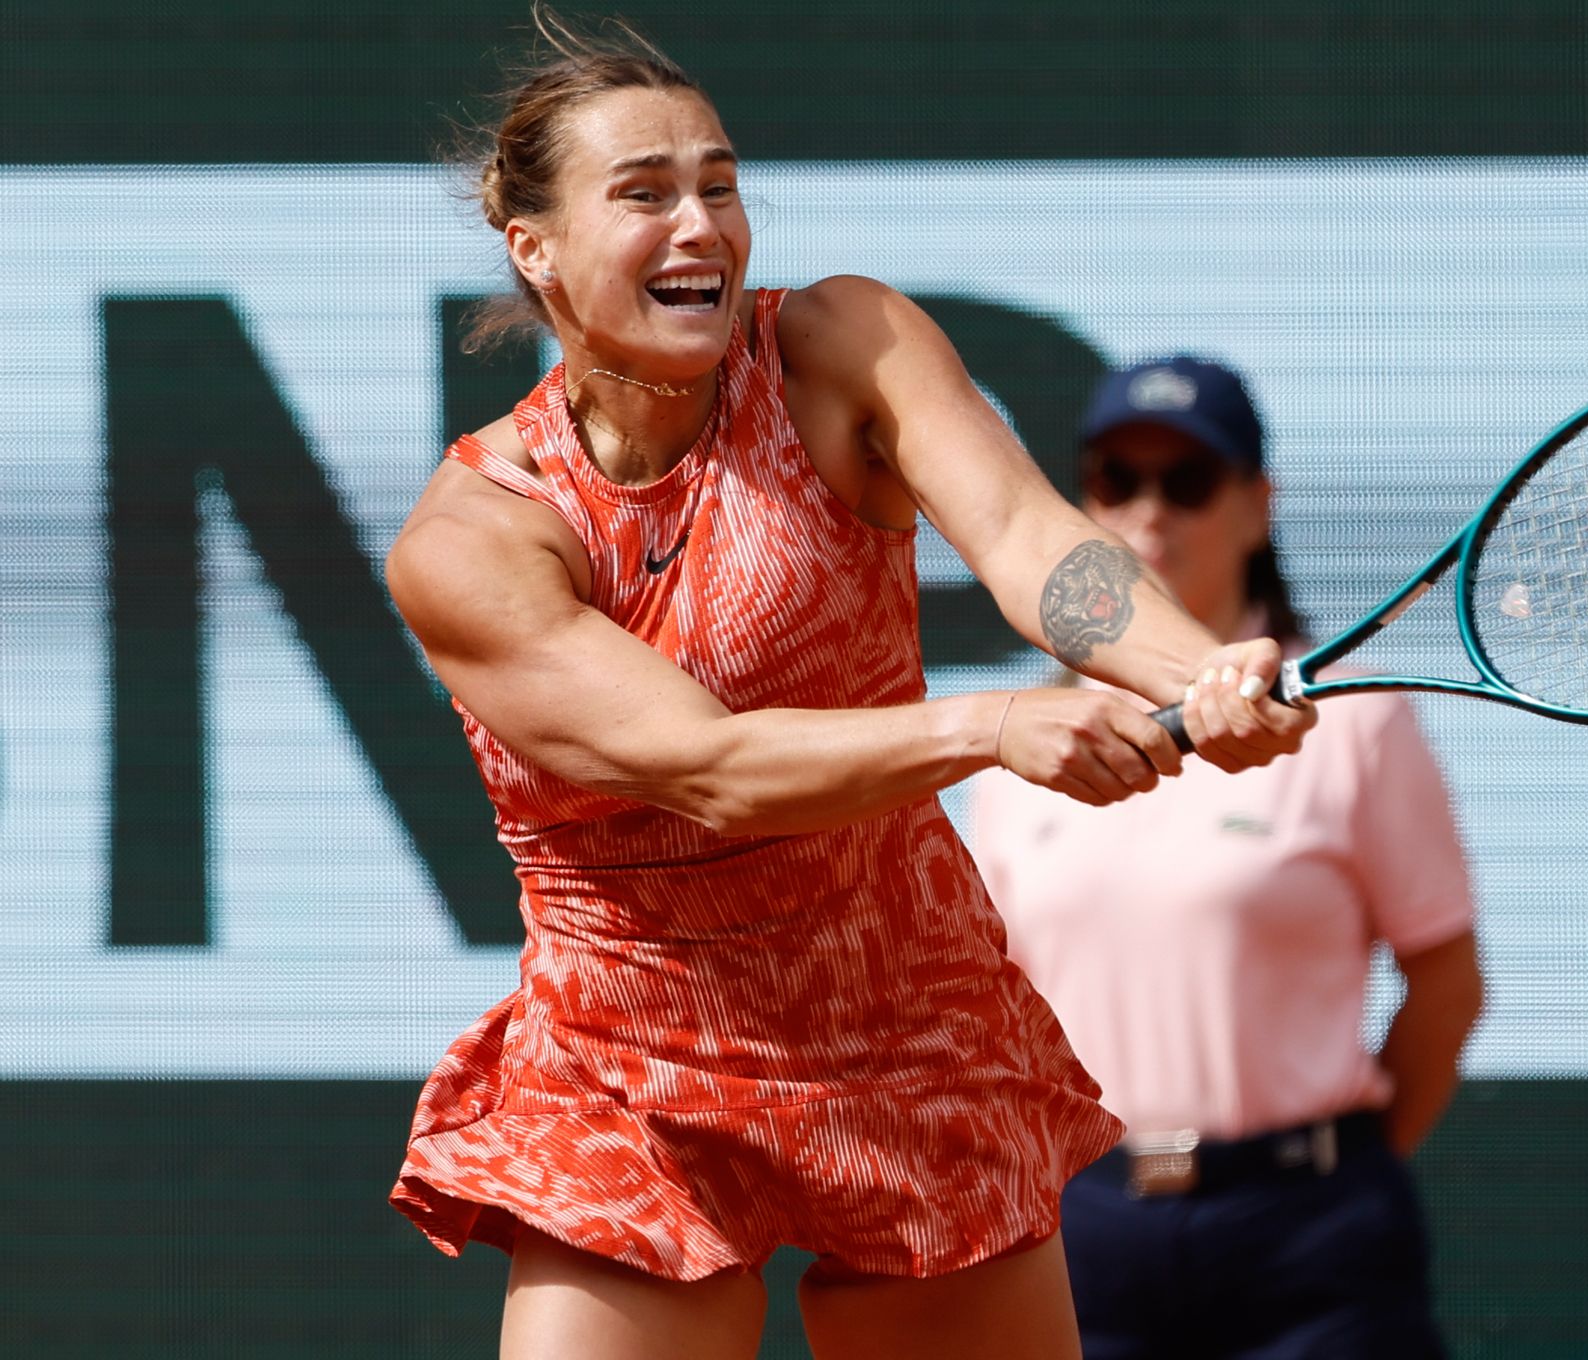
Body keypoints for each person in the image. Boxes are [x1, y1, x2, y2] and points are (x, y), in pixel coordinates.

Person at [382, 12, 1313, 1360]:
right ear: (534, 246)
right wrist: (992, 724)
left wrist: (1200, 668)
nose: (699, 222)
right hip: (633, 1069)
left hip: (906, 1025)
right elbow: (710, 766)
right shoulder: (472, 543)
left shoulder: (843, 344)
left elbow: (1037, 547)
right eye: (644, 193)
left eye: (719, 182)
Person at [971, 356, 1485, 1358]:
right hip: (1088, 1233)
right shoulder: (1032, 742)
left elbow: (1448, 986)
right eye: (1116, 480)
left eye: (1189, 481)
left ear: (1258, 507)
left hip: (1311, 1243)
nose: (1149, 513)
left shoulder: (1359, 721)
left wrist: (1321, 1176)